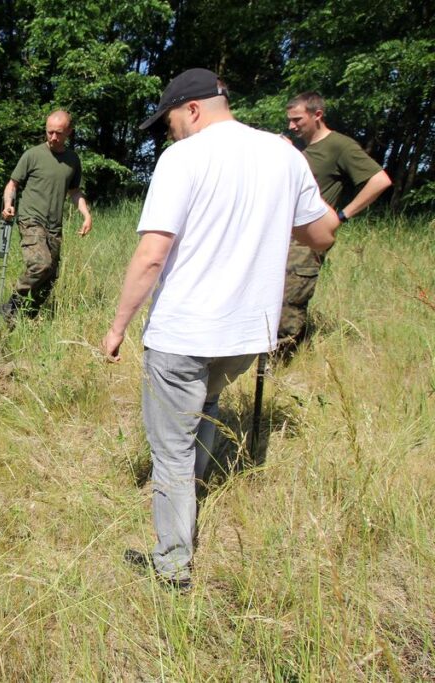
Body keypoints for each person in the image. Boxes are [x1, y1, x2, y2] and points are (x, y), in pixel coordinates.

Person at [101, 69, 339, 590]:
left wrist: (117, 326)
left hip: (183, 333)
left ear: (191, 109)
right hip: (246, 338)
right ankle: (197, 493)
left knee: (169, 451)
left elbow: (152, 254)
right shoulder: (284, 155)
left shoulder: (184, 158)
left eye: (169, 123)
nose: (169, 134)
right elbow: (324, 232)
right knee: (206, 405)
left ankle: (173, 566)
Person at [280, 92, 392, 345]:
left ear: (317, 115)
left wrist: (342, 216)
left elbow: (380, 180)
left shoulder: (339, 145)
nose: (291, 125)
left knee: (290, 301)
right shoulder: (304, 149)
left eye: (297, 119)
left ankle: (284, 365)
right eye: (290, 120)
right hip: (285, 237)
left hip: (307, 241)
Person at [0, 109, 92, 317]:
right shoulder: (32, 155)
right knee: (41, 265)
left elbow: (75, 191)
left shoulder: (72, 160)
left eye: (58, 133)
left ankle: (26, 318)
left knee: (51, 276)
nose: (53, 137)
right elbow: (12, 184)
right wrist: (8, 204)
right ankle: (12, 305)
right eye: (49, 132)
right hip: (31, 219)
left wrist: (86, 215)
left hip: (54, 225)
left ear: (69, 132)